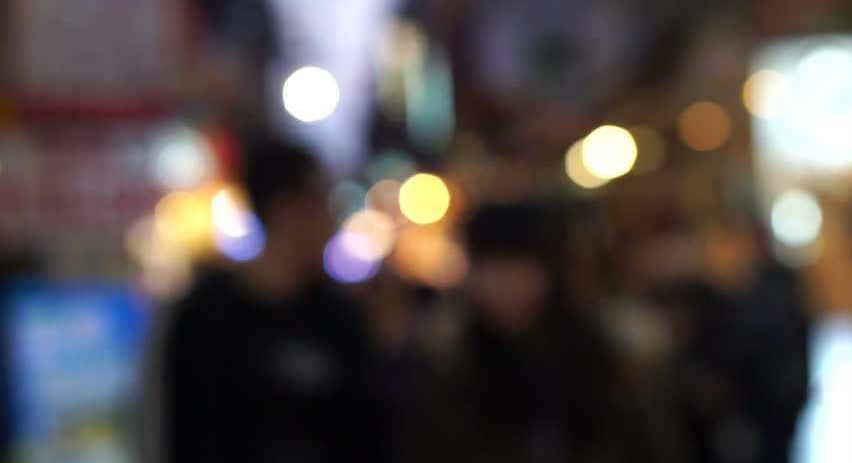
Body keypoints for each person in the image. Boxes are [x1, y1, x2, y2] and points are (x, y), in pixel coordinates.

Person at [143, 140, 389, 463]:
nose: (332, 222)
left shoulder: (337, 318)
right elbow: (181, 432)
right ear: (286, 210)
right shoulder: (204, 318)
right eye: (324, 204)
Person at [404, 203, 666, 463]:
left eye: (519, 267)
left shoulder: (605, 353)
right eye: (492, 267)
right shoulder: (445, 359)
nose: (505, 284)